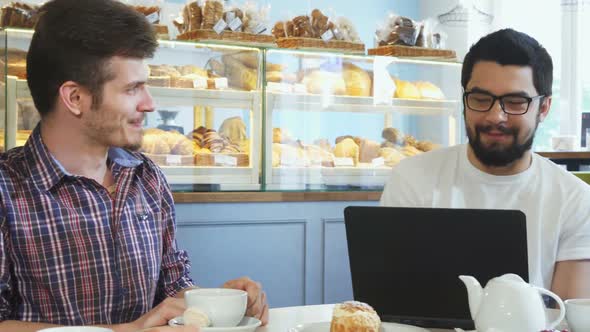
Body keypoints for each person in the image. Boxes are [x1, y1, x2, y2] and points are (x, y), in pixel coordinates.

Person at [0, 0, 268, 331]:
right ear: (75, 98)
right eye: (132, 89)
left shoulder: (147, 178)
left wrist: (219, 303)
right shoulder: (7, 189)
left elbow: (173, 289)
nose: (149, 103)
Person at [380, 28, 590, 299]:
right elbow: (390, 300)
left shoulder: (575, 200)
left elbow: (568, 318)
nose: (496, 116)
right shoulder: (412, 179)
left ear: (544, 107)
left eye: (515, 102)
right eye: (481, 99)